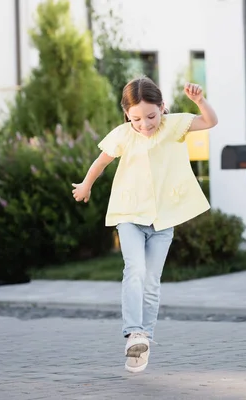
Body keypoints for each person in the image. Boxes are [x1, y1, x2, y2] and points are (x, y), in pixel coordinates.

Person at [71, 76, 217, 372]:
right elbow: (101, 162)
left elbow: (209, 122)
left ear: (162, 107)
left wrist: (199, 101)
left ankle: (144, 341)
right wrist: (86, 185)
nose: (145, 124)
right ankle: (133, 332)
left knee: (151, 281)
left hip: (163, 219)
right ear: (127, 115)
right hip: (129, 214)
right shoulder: (124, 134)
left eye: (151, 116)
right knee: (135, 269)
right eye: (136, 118)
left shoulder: (174, 125)